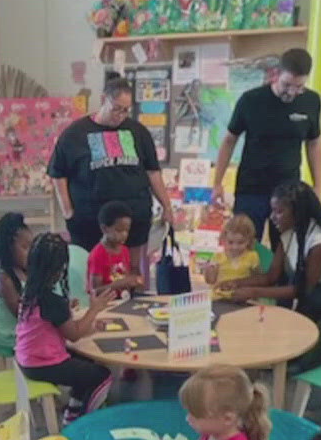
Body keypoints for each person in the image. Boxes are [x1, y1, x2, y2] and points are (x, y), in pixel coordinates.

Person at [49, 74, 182, 259]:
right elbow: (58, 172)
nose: (120, 116)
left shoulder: (138, 131)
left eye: (126, 110)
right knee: (93, 270)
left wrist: (166, 206)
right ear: (103, 99)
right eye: (116, 109)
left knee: (131, 269)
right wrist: (67, 210)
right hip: (90, 220)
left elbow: (153, 172)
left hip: (134, 218)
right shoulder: (75, 133)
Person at [239, 179, 321, 372]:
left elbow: (302, 290)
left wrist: (253, 291)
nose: (272, 217)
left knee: (296, 352)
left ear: (298, 212)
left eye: (279, 212)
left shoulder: (318, 241)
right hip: (307, 299)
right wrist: (236, 283)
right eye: (272, 211)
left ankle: (297, 365)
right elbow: (271, 277)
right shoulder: (288, 233)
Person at [209, 48, 321, 235]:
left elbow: (314, 143)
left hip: (288, 191)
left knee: (285, 246)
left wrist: (318, 186)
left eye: (299, 87)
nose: (292, 92)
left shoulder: (312, 101)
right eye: (287, 84)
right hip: (251, 189)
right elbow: (229, 140)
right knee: (244, 243)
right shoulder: (250, 100)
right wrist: (217, 183)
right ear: (276, 74)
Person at [15, 233, 118, 418]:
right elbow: (74, 335)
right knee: (102, 376)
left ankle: (73, 411)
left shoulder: (30, 292)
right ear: (59, 268)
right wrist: (94, 309)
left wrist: (91, 324)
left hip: (27, 359)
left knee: (86, 361)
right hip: (42, 364)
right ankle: (85, 418)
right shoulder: (51, 301)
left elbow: (60, 326)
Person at [0, 212, 34, 358]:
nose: (30, 253)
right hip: (11, 338)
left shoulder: (24, 271)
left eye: (32, 247)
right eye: (25, 247)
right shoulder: (3, 278)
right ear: (8, 248)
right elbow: (21, 313)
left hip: (25, 331)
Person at [86, 200, 146, 296]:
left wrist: (135, 282)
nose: (124, 235)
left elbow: (126, 278)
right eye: (119, 230)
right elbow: (95, 291)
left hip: (124, 299)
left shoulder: (124, 250)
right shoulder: (98, 255)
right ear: (104, 229)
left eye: (127, 230)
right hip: (106, 302)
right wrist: (119, 284)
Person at [203, 214, 264, 299]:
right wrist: (209, 271)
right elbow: (211, 281)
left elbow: (257, 280)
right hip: (219, 298)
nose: (235, 247)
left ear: (249, 240)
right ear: (224, 238)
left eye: (241, 242)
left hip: (242, 298)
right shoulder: (218, 256)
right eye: (230, 242)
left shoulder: (252, 257)